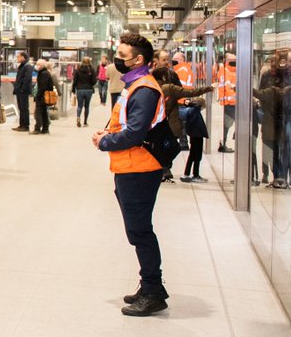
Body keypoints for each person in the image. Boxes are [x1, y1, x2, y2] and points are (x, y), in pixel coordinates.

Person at [91, 33, 168, 317]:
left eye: (122, 55)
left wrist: (105, 142)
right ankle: (150, 286)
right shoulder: (134, 85)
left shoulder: (145, 89)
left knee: (140, 232)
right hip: (129, 166)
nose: (117, 60)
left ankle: (152, 292)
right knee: (137, 230)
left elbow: (135, 133)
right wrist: (108, 132)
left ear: (138, 60)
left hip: (139, 169)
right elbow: (125, 123)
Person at [152, 64, 213, 183]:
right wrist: (208, 88)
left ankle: (163, 170)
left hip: (157, 124)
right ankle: (163, 169)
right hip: (169, 124)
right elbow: (191, 92)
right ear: (164, 77)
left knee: (163, 148)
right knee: (173, 148)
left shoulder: (154, 87)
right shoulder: (169, 88)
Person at [218, 53, 238, 152]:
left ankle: (224, 143)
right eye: (232, 61)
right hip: (230, 102)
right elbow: (227, 87)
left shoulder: (234, 71)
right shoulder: (224, 71)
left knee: (229, 124)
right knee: (228, 124)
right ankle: (223, 144)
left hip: (233, 102)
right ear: (226, 61)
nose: (234, 62)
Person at [72, 56, 97, 128]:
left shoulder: (78, 70)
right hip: (88, 90)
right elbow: (94, 81)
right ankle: (85, 122)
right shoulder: (91, 70)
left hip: (80, 89)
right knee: (87, 106)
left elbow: (75, 81)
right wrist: (90, 84)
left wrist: (73, 90)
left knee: (79, 105)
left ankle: (78, 117)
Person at [12, 52, 34, 132]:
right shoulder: (22, 66)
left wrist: (22, 89)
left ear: (23, 57)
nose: (17, 58)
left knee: (24, 108)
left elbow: (27, 79)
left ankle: (26, 126)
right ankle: (21, 125)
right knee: (21, 108)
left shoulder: (27, 66)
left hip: (23, 91)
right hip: (19, 90)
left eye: (18, 57)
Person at [32, 59, 54, 135]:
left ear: (42, 66)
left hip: (42, 96)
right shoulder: (44, 72)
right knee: (44, 112)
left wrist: (38, 95)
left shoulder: (44, 74)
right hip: (44, 96)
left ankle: (37, 128)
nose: (36, 66)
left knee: (38, 112)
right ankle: (45, 129)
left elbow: (42, 86)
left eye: (38, 64)